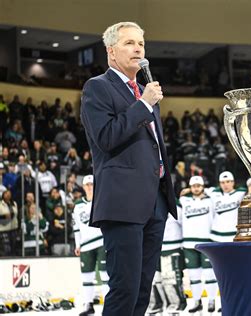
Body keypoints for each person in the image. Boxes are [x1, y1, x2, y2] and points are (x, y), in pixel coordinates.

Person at [80, 21, 177, 316]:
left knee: (142, 290)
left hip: (154, 202)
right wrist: (144, 104)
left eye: (141, 44)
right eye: (129, 43)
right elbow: (106, 137)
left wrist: (146, 102)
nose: (138, 49)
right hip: (123, 202)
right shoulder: (97, 87)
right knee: (125, 288)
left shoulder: (145, 94)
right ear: (111, 52)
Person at [72, 175, 109, 316]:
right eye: (87, 184)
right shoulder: (77, 206)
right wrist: (77, 244)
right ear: (83, 187)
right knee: (86, 276)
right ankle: (88, 305)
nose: (89, 187)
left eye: (92, 184)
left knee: (105, 275)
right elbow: (76, 227)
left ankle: (108, 304)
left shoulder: (102, 200)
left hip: (101, 242)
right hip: (86, 246)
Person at [179, 176, 216, 313]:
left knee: (209, 273)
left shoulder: (211, 200)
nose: (196, 188)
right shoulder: (184, 201)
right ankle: (196, 301)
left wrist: (207, 191)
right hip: (188, 243)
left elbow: (217, 192)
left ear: (203, 186)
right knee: (194, 275)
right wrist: (185, 192)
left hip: (206, 242)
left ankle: (211, 300)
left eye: (199, 185)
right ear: (190, 187)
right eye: (193, 186)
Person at [208, 171, 246, 242]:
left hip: (234, 234)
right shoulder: (213, 193)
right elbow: (199, 190)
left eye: (228, 182)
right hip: (216, 235)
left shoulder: (241, 192)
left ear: (233, 182)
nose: (225, 185)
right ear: (219, 184)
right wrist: (188, 190)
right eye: (222, 182)